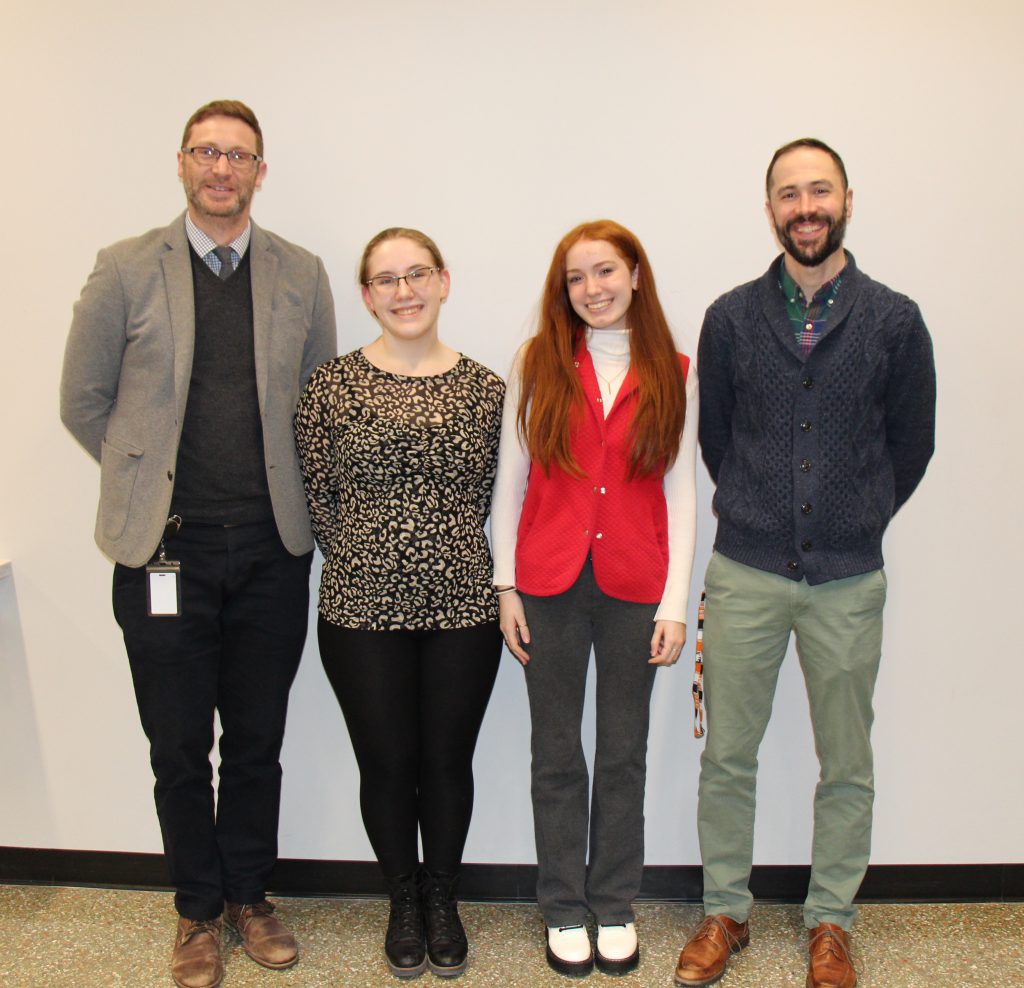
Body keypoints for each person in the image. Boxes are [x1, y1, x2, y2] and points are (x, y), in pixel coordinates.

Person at [60, 100, 337, 988]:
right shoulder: (125, 268)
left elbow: (318, 402)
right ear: (182, 163)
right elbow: (83, 401)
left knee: (257, 739)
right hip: (163, 557)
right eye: (208, 152)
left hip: (270, 553)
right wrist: (144, 480)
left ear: (262, 172)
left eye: (241, 156)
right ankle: (196, 911)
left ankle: (252, 896)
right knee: (178, 746)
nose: (223, 169)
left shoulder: (302, 273)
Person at [673, 138, 936, 988]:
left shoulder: (895, 318)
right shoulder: (731, 317)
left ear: (848, 199)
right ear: (770, 210)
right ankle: (725, 911)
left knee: (847, 760)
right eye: (789, 193)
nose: (806, 206)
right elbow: (716, 443)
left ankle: (831, 922)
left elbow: (912, 443)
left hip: (849, 580)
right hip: (745, 571)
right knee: (728, 757)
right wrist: (766, 511)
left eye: (819, 190)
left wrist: (854, 517)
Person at [295, 228, 504, 980]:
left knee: (447, 764)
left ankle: (442, 898)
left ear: (444, 282)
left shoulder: (486, 390)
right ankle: (401, 899)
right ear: (366, 296)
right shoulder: (330, 387)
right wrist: (368, 551)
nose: (404, 290)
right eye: (386, 279)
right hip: (359, 608)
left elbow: (496, 498)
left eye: (417, 274)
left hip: (462, 607)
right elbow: (317, 493)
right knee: (385, 764)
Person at [491, 219, 698, 977]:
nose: (592, 289)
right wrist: (505, 584)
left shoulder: (676, 367)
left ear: (636, 275)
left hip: (634, 589)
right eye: (577, 278)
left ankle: (613, 902)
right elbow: (511, 481)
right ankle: (562, 906)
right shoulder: (536, 362)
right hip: (547, 584)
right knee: (555, 754)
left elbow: (681, 491)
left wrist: (675, 602)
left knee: (622, 754)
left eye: (606, 272)